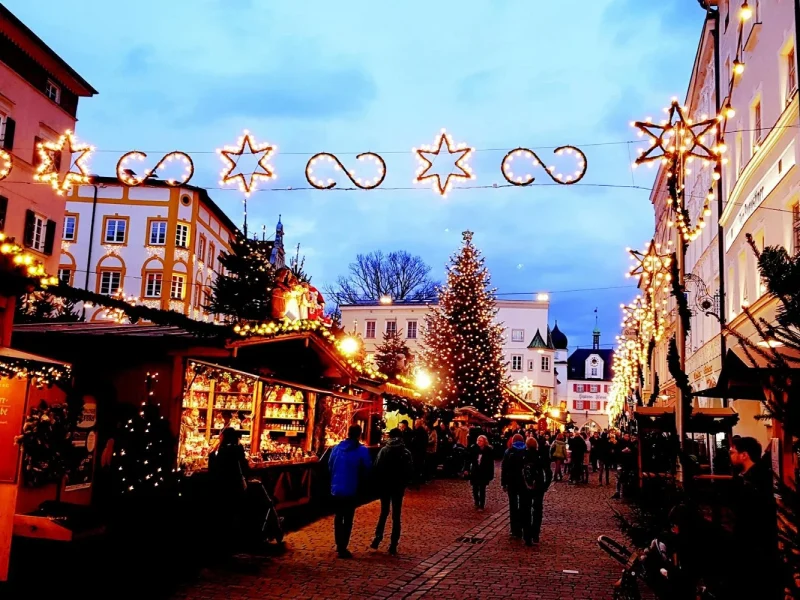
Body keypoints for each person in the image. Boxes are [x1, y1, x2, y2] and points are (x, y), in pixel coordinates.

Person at [727, 436, 781, 600]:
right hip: (745, 537)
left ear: (744, 455)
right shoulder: (743, 477)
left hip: (756, 539)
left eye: (733, 452)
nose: (730, 455)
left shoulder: (758, 478)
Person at [328, 424, 372, 558]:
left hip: (336, 487)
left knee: (338, 516)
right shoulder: (361, 450)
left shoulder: (336, 448)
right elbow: (367, 467)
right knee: (347, 518)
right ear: (359, 434)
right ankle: (343, 546)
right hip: (351, 487)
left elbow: (330, 465)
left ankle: (338, 543)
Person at [371, 428, 414, 555]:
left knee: (384, 512)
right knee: (396, 515)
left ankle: (378, 538)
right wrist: (404, 483)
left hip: (385, 485)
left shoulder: (384, 450)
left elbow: (377, 467)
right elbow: (410, 470)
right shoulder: (405, 452)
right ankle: (393, 544)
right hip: (398, 487)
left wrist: (378, 481)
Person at [208, 427, 249, 557]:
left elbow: (214, 467)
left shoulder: (223, 450)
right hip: (236, 484)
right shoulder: (238, 448)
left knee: (223, 514)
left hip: (223, 485)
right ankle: (234, 542)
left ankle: (223, 545)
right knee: (234, 512)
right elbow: (244, 465)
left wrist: (211, 454)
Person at [521, 436, 550, 545]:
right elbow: (548, 472)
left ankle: (527, 535)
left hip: (526, 486)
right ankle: (535, 534)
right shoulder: (540, 456)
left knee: (526, 510)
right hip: (539, 485)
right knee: (537, 510)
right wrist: (546, 485)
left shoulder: (523, 455)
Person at [501, 434, 527, 538]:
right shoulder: (526, 450)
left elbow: (505, 468)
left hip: (512, 481)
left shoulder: (509, 451)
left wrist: (503, 483)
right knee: (523, 505)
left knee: (513, 506)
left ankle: (514, 530)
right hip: (523, 482)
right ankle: (522, 527)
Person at [467, 434, 494, 510]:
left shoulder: (488, 451)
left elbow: (490, 464)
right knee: (475, 488)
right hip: (475, 472)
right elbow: (469, 460)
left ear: (484, 442)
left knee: (482, 489)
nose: (479, 442)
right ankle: (476, 501)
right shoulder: (474, 449)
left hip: (483, 472)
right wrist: (467, 469)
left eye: (481, 441)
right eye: (478, 440)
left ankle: (481, 504)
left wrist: (490, 475)